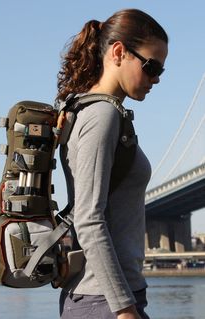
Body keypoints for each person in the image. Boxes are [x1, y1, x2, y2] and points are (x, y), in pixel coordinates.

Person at [56, 8, 168, 319]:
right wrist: (124, 309)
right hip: (105, 302)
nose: (156, 78)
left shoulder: (98, 112)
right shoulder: (101, 116)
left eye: (162, 71)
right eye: (151, 66)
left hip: (110, 297)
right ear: (118, 52)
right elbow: (88, 219)